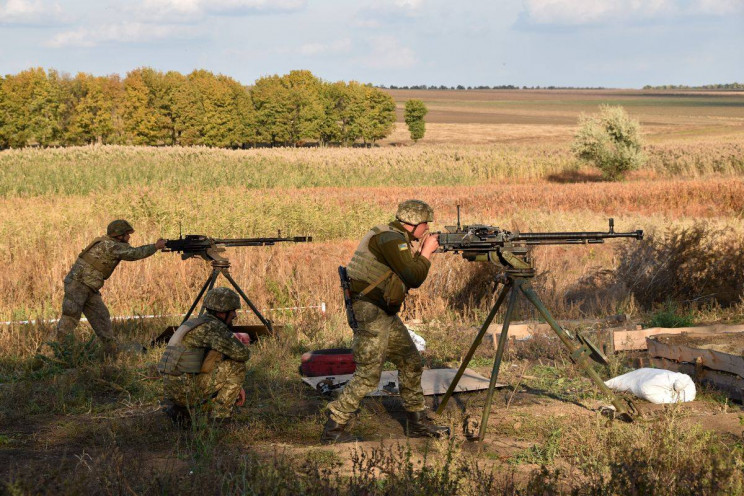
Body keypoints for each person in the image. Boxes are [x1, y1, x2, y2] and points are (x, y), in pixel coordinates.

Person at [322, 200, 450, 443]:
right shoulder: (392, 239)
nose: (426, 230)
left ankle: (417, 422)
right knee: (369, 375)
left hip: (382, 312)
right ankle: (334, 427)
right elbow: (413, 276)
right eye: (425, 225)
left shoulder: (391, 235)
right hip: (371, 313)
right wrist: (426, 253)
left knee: (410, 361)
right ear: (414, 224)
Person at [56, 219, 166, 352]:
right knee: (70, 318)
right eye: (127, 234)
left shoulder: (110, 243)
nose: (129, 236)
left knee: (101, 316)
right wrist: (155, 246)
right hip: (78, 285)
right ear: (119, 235)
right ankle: (53, 350)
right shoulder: (111, 246)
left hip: (89, 287)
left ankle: (111, 349)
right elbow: (134, 254)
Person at [158, 287, 250, 424]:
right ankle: (220, 418)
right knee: (237, 365)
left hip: (172, 390)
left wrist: (237, 387)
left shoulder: (195, 323)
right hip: (185, 391)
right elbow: (242, 354)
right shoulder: (212, 328)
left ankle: (183, 413)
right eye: (233, 311)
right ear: (221, 312)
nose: (235, 315)